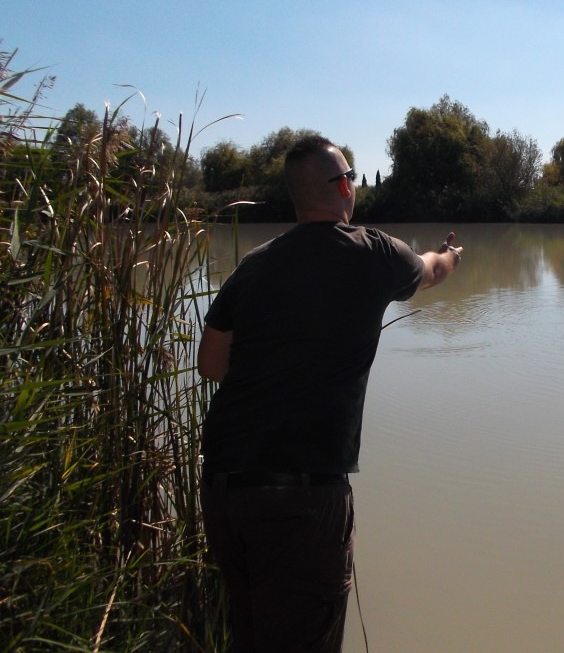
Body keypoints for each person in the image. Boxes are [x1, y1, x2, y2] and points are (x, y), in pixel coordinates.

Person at [196, 135, 462, 652]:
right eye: (351, 177)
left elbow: (210, 364)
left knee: (251, 637)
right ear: (343, 187)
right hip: (303, 493)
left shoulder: (253, 265)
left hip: (226, 487)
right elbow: (430, 271)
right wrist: (452, 253)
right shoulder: (373, 252)